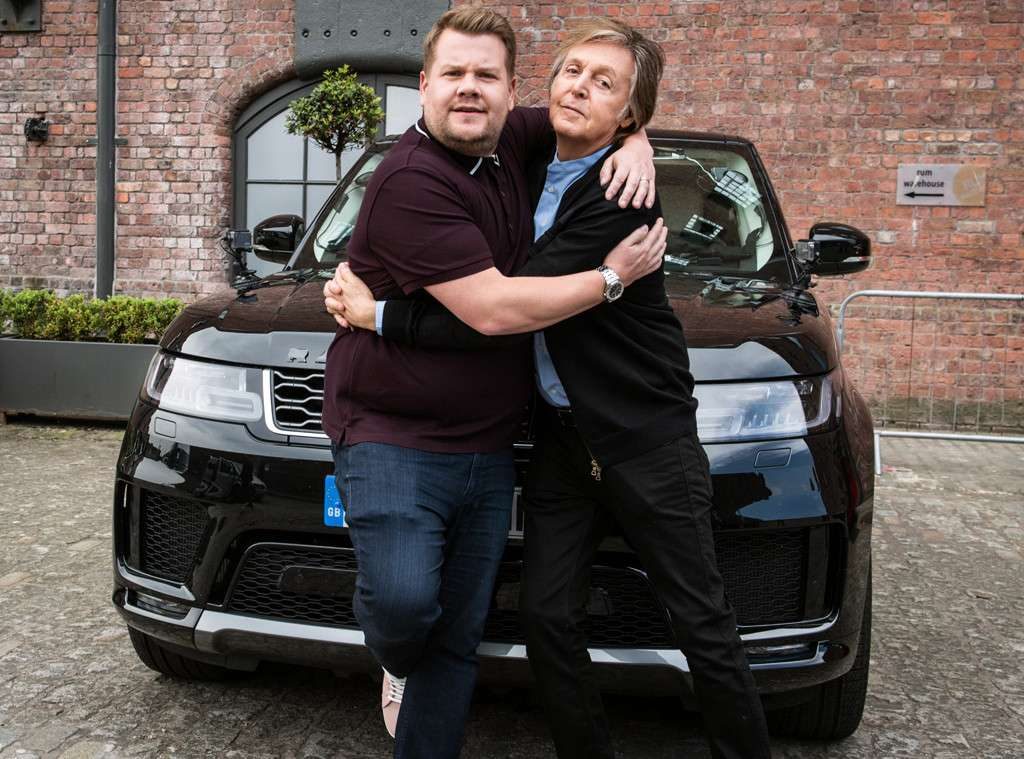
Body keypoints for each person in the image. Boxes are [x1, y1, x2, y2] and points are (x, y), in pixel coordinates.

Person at [327, 18, 773, 759]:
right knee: (548, 619)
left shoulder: (620, 196)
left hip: (640, 434)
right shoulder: (510, 147)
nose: (580, 88)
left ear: (628, 112)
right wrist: (633, 140)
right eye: (572, 72)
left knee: (701, 620)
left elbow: (502, 309)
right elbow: (494, 303)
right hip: (557, 440)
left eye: (605, 85)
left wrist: (381, 315)